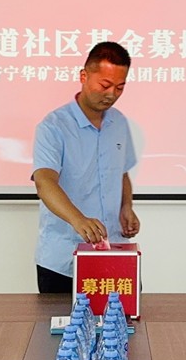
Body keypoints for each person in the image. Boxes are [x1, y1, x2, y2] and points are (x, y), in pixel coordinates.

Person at [32, 41, 140, 293]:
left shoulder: (119, 122)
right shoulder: (54, 126)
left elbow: (121, 172)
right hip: (64, 259)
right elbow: (44, 182)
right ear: (83, 76)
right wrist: (78, 220)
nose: (111, 94)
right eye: (105, 85)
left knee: (125, 318)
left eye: (120, 87)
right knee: (62, 320)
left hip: (114, 255)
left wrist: (126, 207)